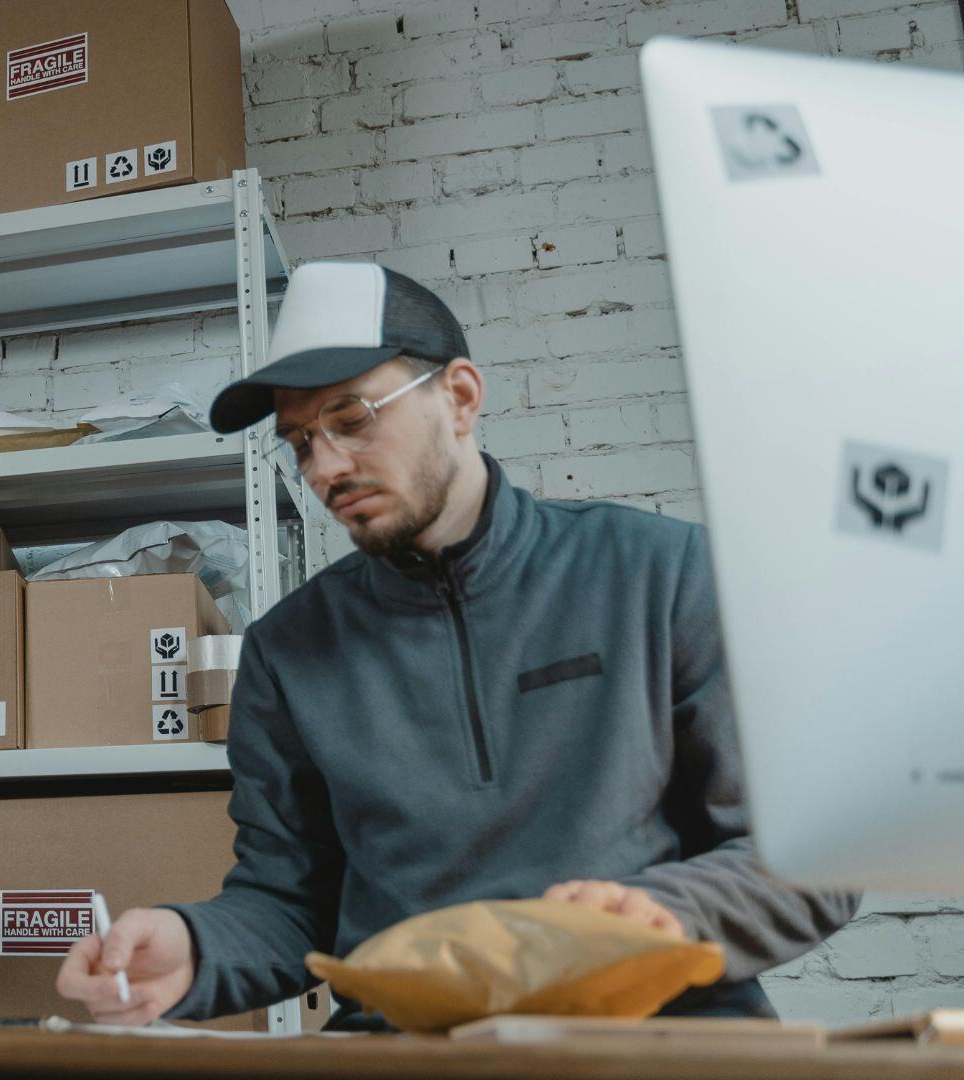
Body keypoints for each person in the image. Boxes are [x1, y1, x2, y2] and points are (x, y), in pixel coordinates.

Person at [56, 261, 858, 1028]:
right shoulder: (287, 652)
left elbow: (809, 859)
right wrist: (196, 947)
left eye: (352, 418)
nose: (327, 466)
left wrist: (669, 912)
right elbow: (292, 902)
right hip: (411, 1050)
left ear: (461, 396)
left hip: (655, 1035)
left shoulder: (663, 574)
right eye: (301, 441)